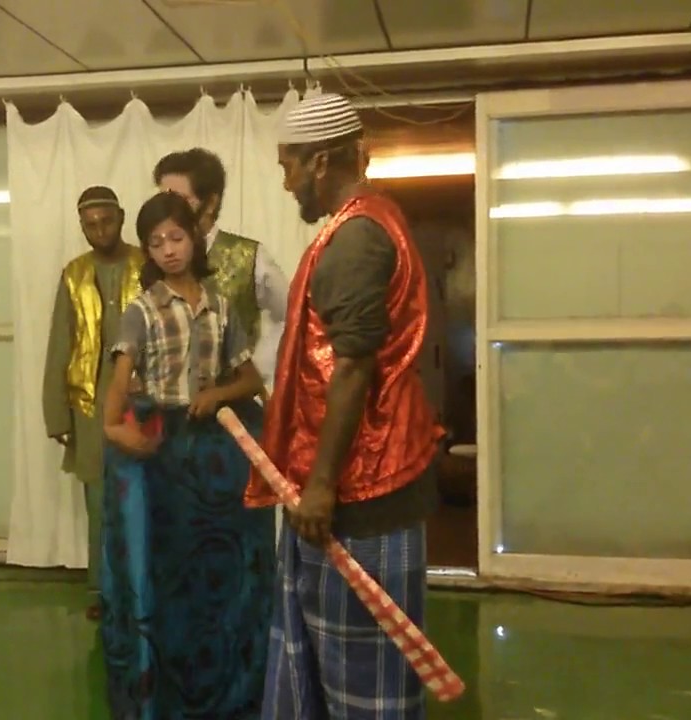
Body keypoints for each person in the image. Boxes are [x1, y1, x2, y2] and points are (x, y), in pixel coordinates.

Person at [247, 93, 445, 719]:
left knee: (364, 675)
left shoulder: (356, 240)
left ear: (320, 161)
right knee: (329, 660)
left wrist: (322, 485)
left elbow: (354, 367)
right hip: (357, 478)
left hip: (363, 487)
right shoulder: (368, 220)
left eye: (288, 166)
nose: (286, 183)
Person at [100, 191, 275, 719]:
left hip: (212, 457)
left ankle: (222, 692)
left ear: (194, 238)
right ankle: (164, 695)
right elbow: (118, 386)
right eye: (155, 243)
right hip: (164, 455)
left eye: (176, 237)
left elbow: (249, 379)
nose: (168, 250)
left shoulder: (220, 306)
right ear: (147, 251)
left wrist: (218, 394)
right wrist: (116, 430)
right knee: (166, 572)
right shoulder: (141, 310)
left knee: (216, 573)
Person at [42, 185, 145, 621]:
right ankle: (101, 591)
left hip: (141, 396)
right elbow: (60, 343)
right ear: (82, 227)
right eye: (91, 225)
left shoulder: (147, 264)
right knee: (99, 501)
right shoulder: (75, 274)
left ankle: (141, 589)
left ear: (121, 217)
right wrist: (56, 414)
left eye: (106, 221)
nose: (100, 230)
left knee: (141, 496)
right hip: (89, 400)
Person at [153, 148, 289, 386]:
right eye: (163, 200)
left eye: (179, 200)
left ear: (210, 203)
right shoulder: (154, 260)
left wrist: (259, 368)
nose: (168, 212)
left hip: (236, 399)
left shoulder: (248, 256)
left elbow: (291, 316)